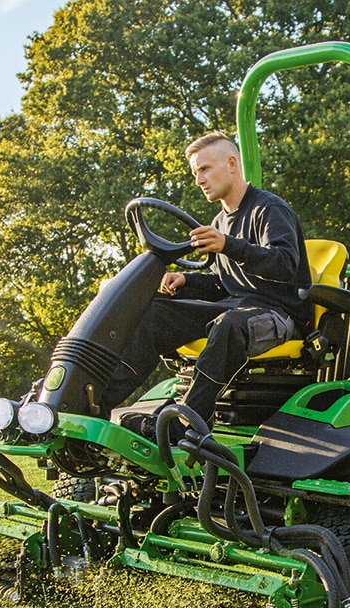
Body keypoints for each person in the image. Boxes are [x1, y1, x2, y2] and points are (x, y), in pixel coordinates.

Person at [102, 130, 313, 431]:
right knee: (157, 312)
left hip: (276, 313)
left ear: (231, 164)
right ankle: (100, 400)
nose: (199, 179)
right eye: (195, 172)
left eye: (204, 169)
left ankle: (187, 421)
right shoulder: (219, 222)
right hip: (234, 307)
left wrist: (228, 245)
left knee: (228, 323)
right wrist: (184, 280)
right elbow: (221, 283)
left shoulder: (269, 209)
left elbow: (285, 265)